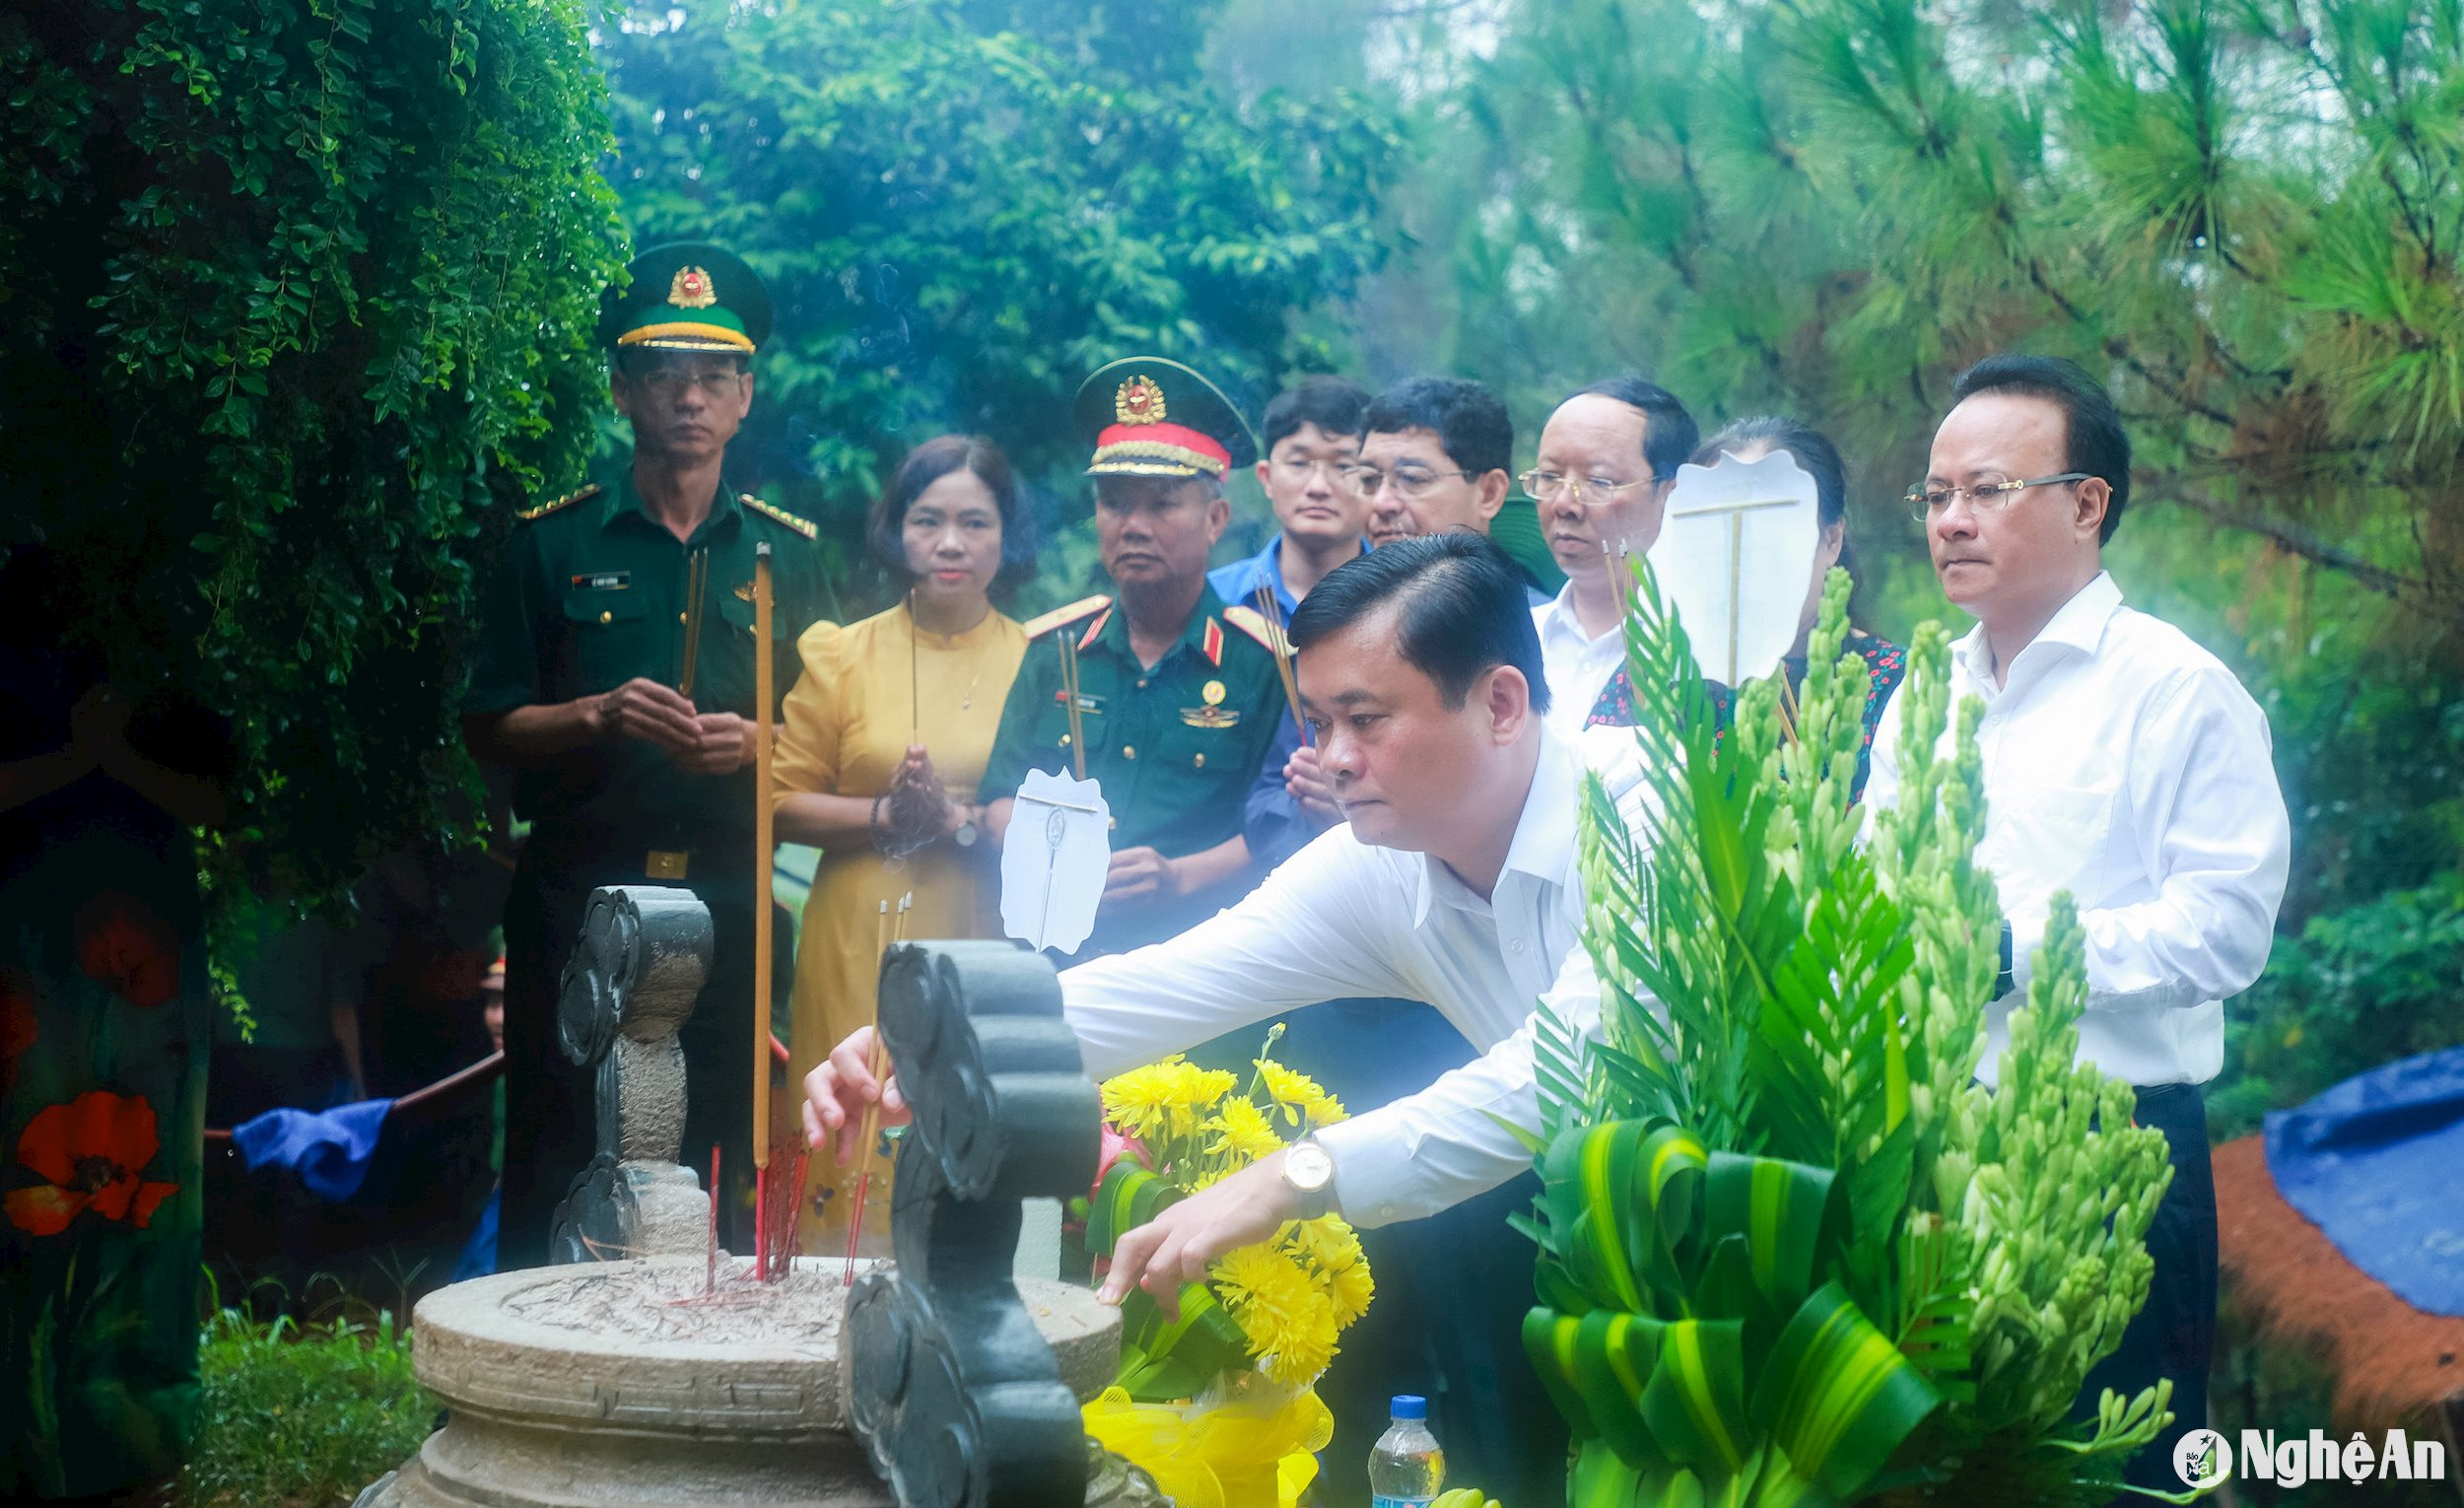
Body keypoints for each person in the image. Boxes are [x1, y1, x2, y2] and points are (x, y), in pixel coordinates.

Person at [810, 533, 1592, 1505]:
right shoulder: (1374, 865)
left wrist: (1293, 1176)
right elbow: (1171, 983)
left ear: (1502, 704)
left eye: (1366, 719)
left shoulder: (1646, 816)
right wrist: (929, 1042)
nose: (1334, 761)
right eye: (1319, 722)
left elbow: (1563, 1074)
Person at [1863, 354, 2290, 1494]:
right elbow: (1873, 886)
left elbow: (2224, 929)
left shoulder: (2175, 688)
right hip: (1930, 1160)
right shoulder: (1925, 690)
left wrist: (2009, 955)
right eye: (1935, 495)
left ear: (2086, 503)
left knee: (2115, 1476)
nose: (1949, 520)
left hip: (2113, 1156)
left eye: (1985, 490)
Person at [462, 242, 829, 1268]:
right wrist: (594, 716)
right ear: (623, 389)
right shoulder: (552, 545)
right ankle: (528, 1368)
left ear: (746, 396)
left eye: (715, 375)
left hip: (729, 891)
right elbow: (485, 724)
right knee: (556, 1125)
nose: (690, 396)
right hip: (578, 887)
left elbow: (834, 742)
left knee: (717, 1137)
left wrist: (762, 743)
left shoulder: (786, 554)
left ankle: (705, 1382)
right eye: (664, 373)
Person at [3, 546, 236, 1503]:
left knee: (146, 1210)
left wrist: (119, 757)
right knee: (16, 1200)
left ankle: (129, 1449)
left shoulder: (175, 631)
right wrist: (80, 756)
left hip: (150, 962)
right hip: (24, 958)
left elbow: (221, 800)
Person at [772, 436, 1032, 1243]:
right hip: (856, 931)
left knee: (962, 1129)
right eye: (928, 520)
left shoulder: (1042, 658)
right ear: (895, 532)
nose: (950, 543)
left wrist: (961, 821)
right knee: (847, 1126)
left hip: (981, 925)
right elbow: (779, 801)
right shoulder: (840, 653)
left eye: (974, 522)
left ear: (1007, 538)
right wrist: (888, 818)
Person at [975, 357, 1288, 958]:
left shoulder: (1262, 665)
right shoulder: (1056, 650)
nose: (1134, 525)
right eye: (1115, 503)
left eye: (1163, 503)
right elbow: (997, 798)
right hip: (1054, 955)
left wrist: (1180, 878)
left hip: (1194, 959)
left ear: (1216, 518)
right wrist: (1043, 852)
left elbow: (1278, 830)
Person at [1586, 416, 1907, 800]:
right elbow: (1592, 805)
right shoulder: (1654, 674)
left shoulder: (1891, 682)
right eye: (1710, 525)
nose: (1737, 549)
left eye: (1770, 522)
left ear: (1831, 538)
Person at [1524, 377, 1696, 736]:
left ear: (1672, 494)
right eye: (1549, 477)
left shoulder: (1707, 652)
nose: (1563, 504)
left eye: (1600, 482)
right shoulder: (1510, 638)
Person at [1208, 375, 1372, 616]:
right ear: (1266, 477)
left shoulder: (1404, 602)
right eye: (1298, 463)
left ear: (1373, 481)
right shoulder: (1215, 600)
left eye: (1343, 466)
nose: (1318, 487)